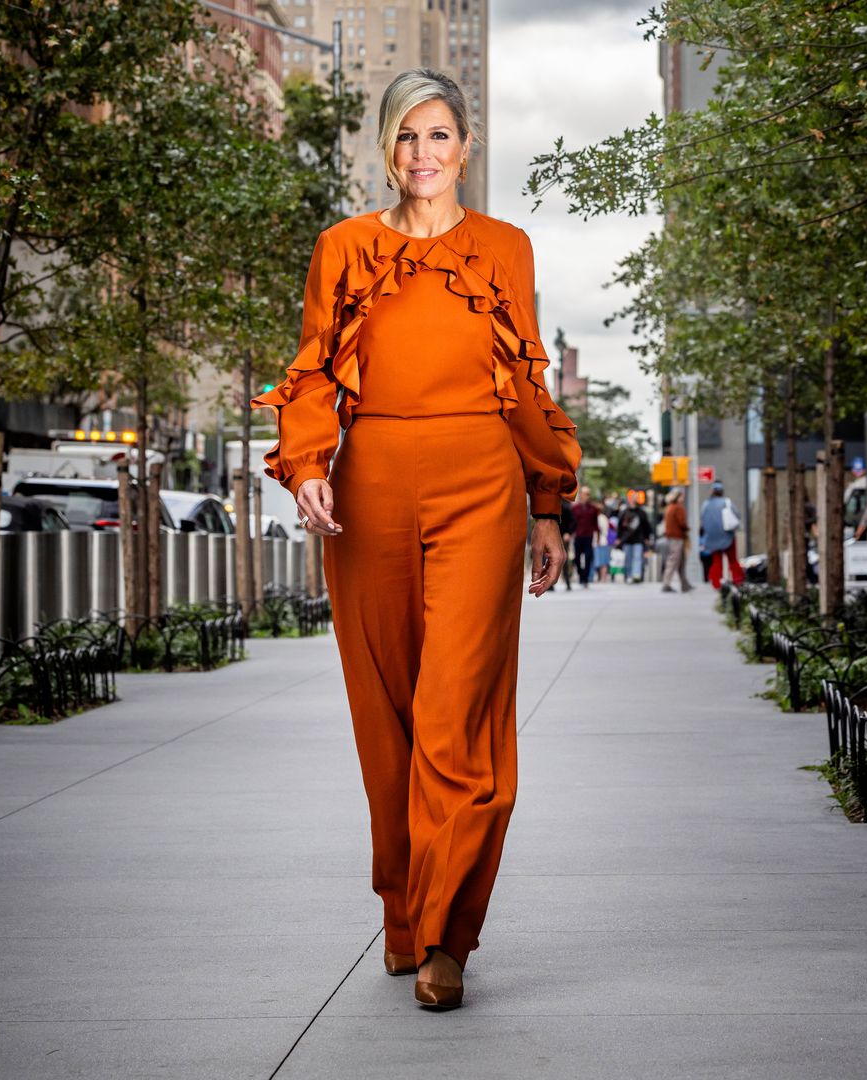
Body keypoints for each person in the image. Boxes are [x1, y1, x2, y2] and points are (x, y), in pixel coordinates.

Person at [250, 69, 580, 1011]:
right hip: (372, 489)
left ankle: (446, 938)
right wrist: (307, 463)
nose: (422, 156)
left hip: (481, 483)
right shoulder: (344, 247)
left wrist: (547, 501)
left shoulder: (505, 248)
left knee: (457, 712)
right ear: (386, 149)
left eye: (439, 137)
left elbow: (522, 376)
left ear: (466, 147)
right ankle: (403, 914)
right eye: (406, 138)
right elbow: (314, 370)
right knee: (386, 714)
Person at [700, 480, 745, 589]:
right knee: (733, 560)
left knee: (716, 561)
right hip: (728, 536)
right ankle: (738, 581)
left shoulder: (705, 504)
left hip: (713, 538)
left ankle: (716, 583)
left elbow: (702, 519)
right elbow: (737, 515)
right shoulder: (726, 502)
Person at [660, 489, 692, 592]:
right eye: (682, 496)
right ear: (678, 497)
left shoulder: (669, 507)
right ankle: (666, 583)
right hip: (677, 537)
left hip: (672, 537)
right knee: (673, 560)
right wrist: (687, 528)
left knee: (681, 561)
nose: (683, 498)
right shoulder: (678, 508)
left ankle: (685, 584)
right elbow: (682, 523)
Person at [616, 500, 652, 583]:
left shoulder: (641, 513)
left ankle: (636, 575)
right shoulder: (624, 512)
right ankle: (629, 575)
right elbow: (619, 526)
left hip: (638, 539)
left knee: (637, 558)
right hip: (627, 539)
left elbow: (646, 525)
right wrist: (619, 538)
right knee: (628, 558)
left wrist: (646, 538)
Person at [571, 485, 600, 586]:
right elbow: (572, 523)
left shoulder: (593, 509)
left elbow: (595, 523)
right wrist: (570, 533)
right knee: (577, 557)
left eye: (587, 494)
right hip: (578, 535)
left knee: (588, 557)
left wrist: (598, 537)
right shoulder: (575, 508)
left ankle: (586, 577)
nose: (585, 496)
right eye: (584, 493)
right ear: (581, 495)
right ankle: (580, 574)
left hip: (589, 535)